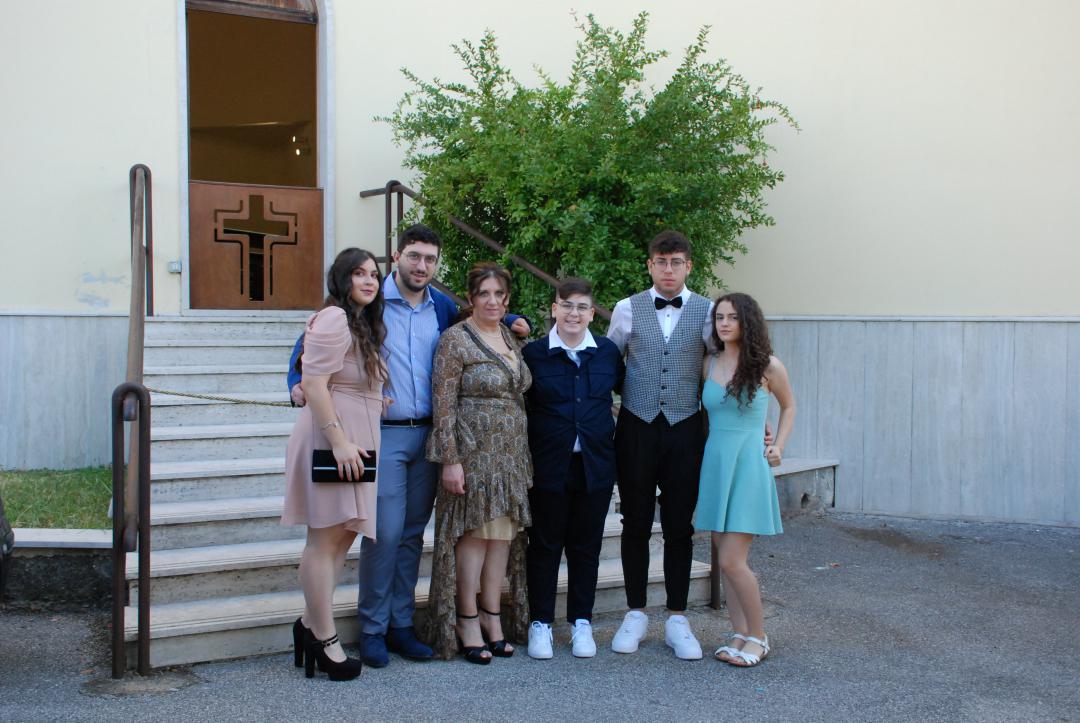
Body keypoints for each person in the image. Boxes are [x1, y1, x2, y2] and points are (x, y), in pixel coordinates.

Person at [285, 225, 530, 668]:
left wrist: (514, 320)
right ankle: (373, 628)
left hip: (429, 435)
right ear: (396, 257)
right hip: (384, 434)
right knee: (384, 531)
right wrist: (296, 383)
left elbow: (483, 318)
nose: (422, 266)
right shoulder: (370, 302)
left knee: (413, 533)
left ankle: (401, 624)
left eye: (430, 259)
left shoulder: (441, 307)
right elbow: (309, 349)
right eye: (414, 256)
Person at [606, 230, 714, 660]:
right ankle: (635, 612)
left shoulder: (707, 311)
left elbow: (720, 368)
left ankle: (677, 618)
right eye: (661, 262)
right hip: (637, 425)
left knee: (679, 526)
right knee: (634, 521)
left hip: (686, 427)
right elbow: (609, 363)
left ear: (689, 266)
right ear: (650, 265)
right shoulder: (626, 308)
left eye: (676, 262)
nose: (669, 269)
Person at [281, 248, 387, 681]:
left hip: (355, 441)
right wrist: (339, 441)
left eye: (374, 274)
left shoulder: (359, 323)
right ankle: (324, 640)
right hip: (334, 441)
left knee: (342, 538)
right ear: (342, 279)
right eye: (359, 273)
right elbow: (313, 383)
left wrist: (375, 398)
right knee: (324, 541)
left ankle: (309, 624)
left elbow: (348, 379)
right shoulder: (334, 318)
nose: (369, 280)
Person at [425, 262, 533, 663]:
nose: (492, 301)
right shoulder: (454, 340)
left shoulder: (509, 336)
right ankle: (466, 618)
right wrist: (450, 459)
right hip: (473, 453)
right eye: (484, 294)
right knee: (473, 536)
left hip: (510, 454)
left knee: (501, 536)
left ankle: (492, 615)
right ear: (470, 299)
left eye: (499, 294)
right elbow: (443, 404)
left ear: (507, 300)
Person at [522, 278, 624, 659]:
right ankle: (541, 623)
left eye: (582, 307)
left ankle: (582, 621)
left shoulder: (607, 353)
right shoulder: (533, 354)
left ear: (592, 313)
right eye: (566, 305)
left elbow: (628, 394)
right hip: (548, 466)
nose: (573, 313)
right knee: (544, 546)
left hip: (594, 466)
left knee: (586, 547)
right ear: (554, 309)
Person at [699, 292, 795, 668]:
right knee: (723, 559)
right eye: (719, 317)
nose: (724, 324)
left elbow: (789, 406)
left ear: (747, 322)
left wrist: (778, 445)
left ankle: (758, 635)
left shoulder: (768, 366)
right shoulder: (709, 362)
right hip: (716, 465)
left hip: (748, 467)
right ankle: (738, 632)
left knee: (732, 559)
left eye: (733, 317)